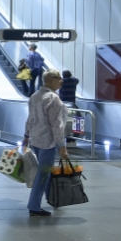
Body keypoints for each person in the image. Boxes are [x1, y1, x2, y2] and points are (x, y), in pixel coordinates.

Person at [23, 69, 68, 217]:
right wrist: (62, 145)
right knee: (43, 173)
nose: (61, 80)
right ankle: (34, 206)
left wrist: (26, 136)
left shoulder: (34, 96)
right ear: (49, 80)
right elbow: (57, 124)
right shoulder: (53, 99)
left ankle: (53, 198)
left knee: (46, 171)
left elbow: (30, 119)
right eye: (58, 78)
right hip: (48, 142)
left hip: (36, 140)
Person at [60, 70, 80, 146]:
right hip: (72, 103)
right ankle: (72, 137)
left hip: (63, 103)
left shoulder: (62, 81)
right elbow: (77, 80)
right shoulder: (74, 80)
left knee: (63, 120)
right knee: (74, 119)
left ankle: (63, 136)